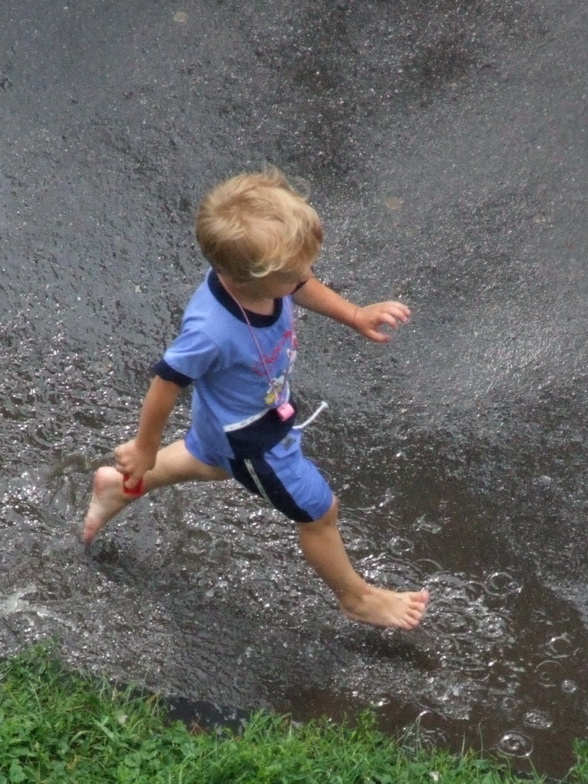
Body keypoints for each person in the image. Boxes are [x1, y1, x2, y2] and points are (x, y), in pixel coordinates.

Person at [84, 168, 429, 630]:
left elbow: (302, 284)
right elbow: (165, 384)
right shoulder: (210, 331)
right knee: (318, 512)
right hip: (253, 439)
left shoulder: (251, 271)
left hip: (227, 414)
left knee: (207, 460)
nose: (305, 278)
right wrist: (144, 447)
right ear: (250, 281)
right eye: (294, 277)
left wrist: (354, 314)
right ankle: (357, 598)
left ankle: (120, 486)